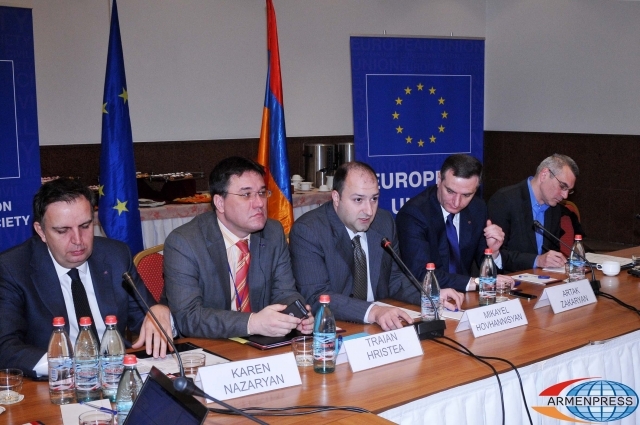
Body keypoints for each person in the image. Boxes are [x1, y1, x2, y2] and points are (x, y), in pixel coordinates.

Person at [0, 178, 173, 377]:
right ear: (41, 231)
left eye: (85, 226)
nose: (77, 240)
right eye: (63, 230)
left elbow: (147, 322)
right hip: (59, 381)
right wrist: (66, 366)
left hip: (116, 374)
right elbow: (5, 346)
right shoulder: (13, 268)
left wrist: (161, 314)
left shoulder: (115, 256)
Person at [289, 161, 463, 331]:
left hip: (380, 326)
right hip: (335, 328)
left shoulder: (384, 222)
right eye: (358, 200)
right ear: (336, 197)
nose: (369, 211)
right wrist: (374, 312)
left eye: (374, 199)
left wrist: (429, 295)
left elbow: (395, 279)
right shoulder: (309, 231)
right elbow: (316, 296)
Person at [163, 157, 314, 339]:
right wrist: (252, 323)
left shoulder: (272, 233)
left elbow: (285, 292)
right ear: (220, 203)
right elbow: (189, 318)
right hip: (209, 344)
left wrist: (297, 313)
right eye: (246, 194)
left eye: (262, 193)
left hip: (261, 343)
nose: (259, 203)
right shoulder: (185, 243)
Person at [396, 154, 513, 292]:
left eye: (466, 195)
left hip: (467, 296)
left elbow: (487, 270)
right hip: (431, 297)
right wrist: (476, 282)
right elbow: (421, 274)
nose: (456, 202)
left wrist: (493, 252)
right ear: (439, 179)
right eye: (450, 191)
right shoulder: (414, 214)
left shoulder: (477, 208)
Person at [487, 153, 580, 273]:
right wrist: (537, 260)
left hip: (543, 278)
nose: (565, 195)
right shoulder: (504, 200)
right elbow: (495, 253)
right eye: (562, 186)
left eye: (569, 190)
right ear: (544, 175)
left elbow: (553, 250)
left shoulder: (554, 208)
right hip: (509, 278)